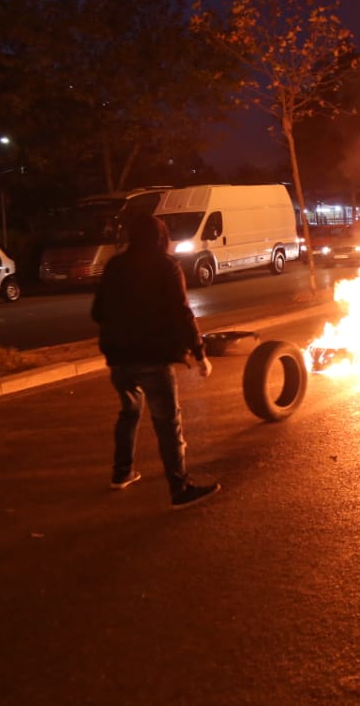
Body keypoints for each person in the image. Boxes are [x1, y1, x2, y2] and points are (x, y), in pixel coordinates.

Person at [91, 213, 219, 509]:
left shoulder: (115, 266)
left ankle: (121, 473)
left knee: (129, 412)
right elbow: (182, 313)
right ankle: (180, 489)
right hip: (152, 357)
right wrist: (200, 353)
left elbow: (97, 312)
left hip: (118, 359)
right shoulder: (166, 266)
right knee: (167, 423)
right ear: (161, 238)